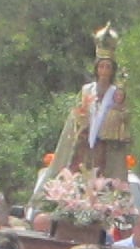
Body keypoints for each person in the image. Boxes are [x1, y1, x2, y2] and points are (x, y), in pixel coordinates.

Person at [54, 25, 133, 179]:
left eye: (108, 67)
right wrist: (81, 118)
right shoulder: (87, 90)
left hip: (106, 143)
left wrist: (116, 118)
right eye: (101, 67)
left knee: (103, 172)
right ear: (97, 69)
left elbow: (124, 116)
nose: (104, 71)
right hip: (85, 141)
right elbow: (77, 115)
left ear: (112, 70)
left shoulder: (117, 93)